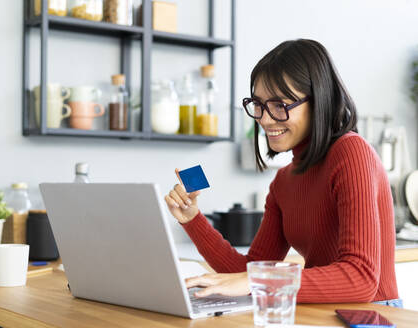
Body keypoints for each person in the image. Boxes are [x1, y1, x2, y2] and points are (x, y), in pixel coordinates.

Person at [164, 39, 401, 307]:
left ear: (318, 101)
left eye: (280, 105)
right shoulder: (283, 181)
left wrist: (257, 281)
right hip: (322, 314)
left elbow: (360, 279)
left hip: (374, 317)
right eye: (258, 104)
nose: (264, 118)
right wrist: (192, 219)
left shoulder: (351, 152)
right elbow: (249, 269)